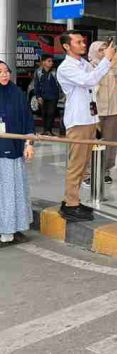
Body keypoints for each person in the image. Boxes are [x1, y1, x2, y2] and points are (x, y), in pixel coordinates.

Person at [57, 31, 117, 222]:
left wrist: (108, 61)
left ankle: (73, 200)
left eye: (83, 41)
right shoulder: (66, 67)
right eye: (78, 42)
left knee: (84, 163)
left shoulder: (83, 64)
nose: (83, 44)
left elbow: (93, 83)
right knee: (77, 165)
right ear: (67, 46)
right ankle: (70, 204)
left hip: (90, 118)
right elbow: (90, 80)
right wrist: (106, 60)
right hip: (78, 121)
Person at [0, 61, 35, 246]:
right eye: (0, 72)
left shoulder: (17, 93)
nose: (4, 74)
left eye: (6, 71)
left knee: (15, 191)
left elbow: (28, 119)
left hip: (14, 150)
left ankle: (14, 227)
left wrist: (29, 144)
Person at [88, 41, 117, 185]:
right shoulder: (90, 66)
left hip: (113, 109)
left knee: (110, 142)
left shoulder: (116, 65)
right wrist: (109, 64)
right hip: (95, 110)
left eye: (106, 49)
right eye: (101, 50)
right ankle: (90, 171)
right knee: (93, 141)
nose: (105, 52)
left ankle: (106, 171)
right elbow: (94, 84)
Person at [33, 54, 62, 136]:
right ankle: (45, 130)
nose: (51, 63)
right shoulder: (38, 72)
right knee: (44, 114)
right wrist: (38, 96)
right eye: (49, 61)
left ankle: (49, 130)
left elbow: (59, 83)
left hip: (53, 97)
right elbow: (36, 85)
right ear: (43, 62)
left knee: (51, 113)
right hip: (43, 97)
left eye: (52, 61)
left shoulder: (55, 72)